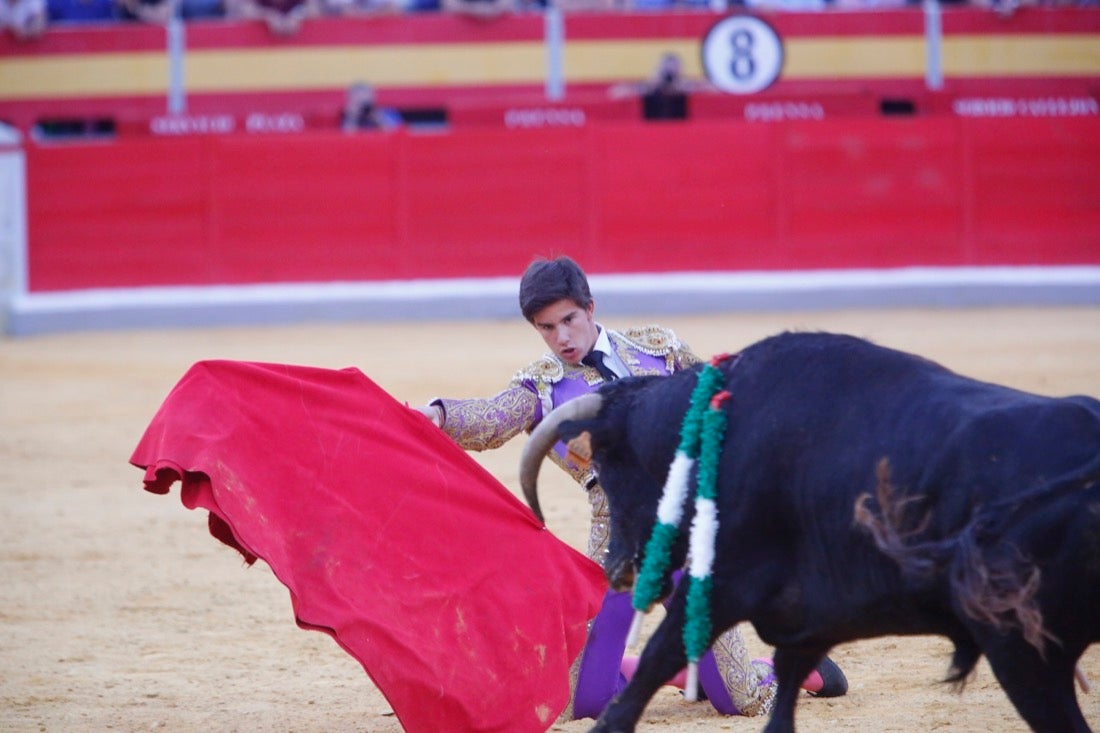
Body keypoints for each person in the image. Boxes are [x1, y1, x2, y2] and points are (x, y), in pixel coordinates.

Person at [414, 255, 847, 721]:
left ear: (590, 308)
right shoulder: (540, 386)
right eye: (546, 327)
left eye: (569, 320)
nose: (562, 338)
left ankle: (794, 668)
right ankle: (674, 669)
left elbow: (720, 402)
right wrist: (437, 415)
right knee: (584, 704)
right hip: (615, 549)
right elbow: (492, 420)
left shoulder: (658, 349)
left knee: (743, 701)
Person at [608, 51, 716, 121]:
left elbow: (712, 89)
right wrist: (652, 84)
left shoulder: (686, 85)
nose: (670, 71)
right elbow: (616, 92)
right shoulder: (651, 86)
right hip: (654, 126)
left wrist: (684, 87)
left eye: (674, 67)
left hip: (680, 126)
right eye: (667, 67)